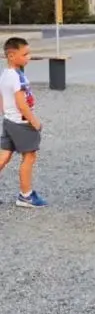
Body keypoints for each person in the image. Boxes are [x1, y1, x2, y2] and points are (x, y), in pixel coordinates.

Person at [0, 37, 47, 208]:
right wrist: (34, 122)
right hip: (21, 122)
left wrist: (6, 115)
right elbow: (21, 103)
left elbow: (2, 98)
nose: (28, 57)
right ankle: (25, 195)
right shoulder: (17, 78)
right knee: (29, 156)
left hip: (9, 121)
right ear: (11, 56)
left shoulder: (5, 74)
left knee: (4, 156)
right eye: (25, 54)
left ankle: (25, 194)